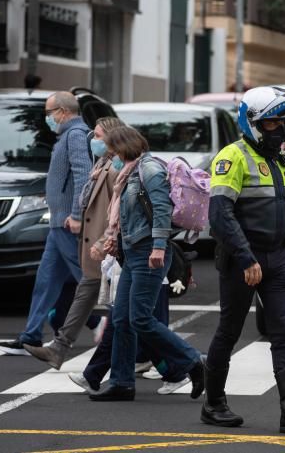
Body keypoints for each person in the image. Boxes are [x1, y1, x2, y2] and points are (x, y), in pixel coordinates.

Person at [203, 86, 285, 433]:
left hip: (280, 259)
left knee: (284, 334)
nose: (281, 130)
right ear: (253, 122)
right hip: (243, 261)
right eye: (274, 123)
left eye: (284, 122)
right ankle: (213, 404)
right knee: (229, 331)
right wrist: (246, 259)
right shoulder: (233, 157)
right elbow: (220, 216)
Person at [88, 126, 204, 401]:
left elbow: (162, 210)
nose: (111, 156)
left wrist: (159, 247)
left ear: (125, 147)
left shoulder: (149, 170)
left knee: (140, 317)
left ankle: (193, 362)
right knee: (122, 319)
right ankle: (122, 383)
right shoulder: (128, 173)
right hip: (132, 253)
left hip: (148, 253)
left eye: (113, 150)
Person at [0, 92, 93, 355]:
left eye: (49, 113)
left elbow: (83, 175)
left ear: (62, 111)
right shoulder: (67, 136)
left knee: (86, 278)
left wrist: (76, 214)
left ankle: (104, 321)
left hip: (66, 222)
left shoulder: (74, 135)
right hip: (58, 222)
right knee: (46, 280)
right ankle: (31, 336)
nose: (48, 118)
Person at [23, 117, 124, 368]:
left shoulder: (115, 169)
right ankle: (59, 347)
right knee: (83, 295)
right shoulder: (102, 163)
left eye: (99, 136)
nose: (94, 140)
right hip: (95, 246)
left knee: (131, 313)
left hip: (110, 248)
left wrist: (103, 240)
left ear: (112, 139)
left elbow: (120, 213)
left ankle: (178, 362)